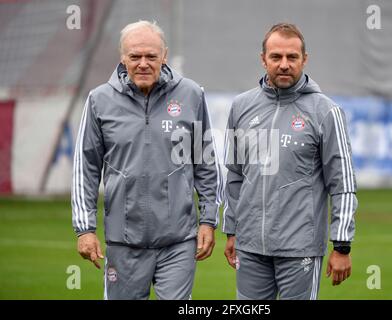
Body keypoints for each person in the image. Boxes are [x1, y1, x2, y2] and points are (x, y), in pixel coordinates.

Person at [71, 20, 221, 300]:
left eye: (151, 56)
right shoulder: (99, 100)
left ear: (164, 56)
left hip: (179, 241)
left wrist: (208, 220)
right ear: (122, 57)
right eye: (135, 56)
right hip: (123, 243)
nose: (143, 63)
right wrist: (85, 229)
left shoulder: (190, 94)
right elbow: (86, 170)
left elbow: (206, 164)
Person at [223, 23, 357, 300]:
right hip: (250, 248)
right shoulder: (241, 106)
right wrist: (231, 231)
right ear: (263, 59)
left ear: (304, 59)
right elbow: (235, 175)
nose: (284, 65)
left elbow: (342, 182)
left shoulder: (326, 112)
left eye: (292, 57)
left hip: (300, 249)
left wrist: (342, 246)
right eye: (276, 57)